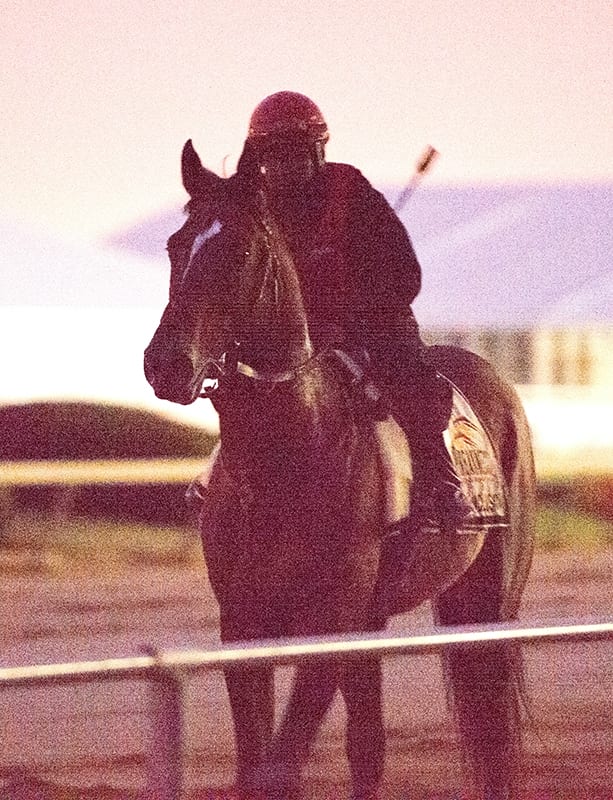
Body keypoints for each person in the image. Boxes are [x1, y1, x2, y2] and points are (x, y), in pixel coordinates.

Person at [232, 91, 471, 534]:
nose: (282, 169)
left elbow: (405, 274)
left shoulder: (353, 193)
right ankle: (221, 477)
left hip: (372, 327)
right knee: (240, 382)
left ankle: (440, 481)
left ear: (319, 150)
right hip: (297, 336)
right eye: (272, 158)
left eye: (293, 155)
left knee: (408, 374)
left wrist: (353, 311)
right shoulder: (256, 206)